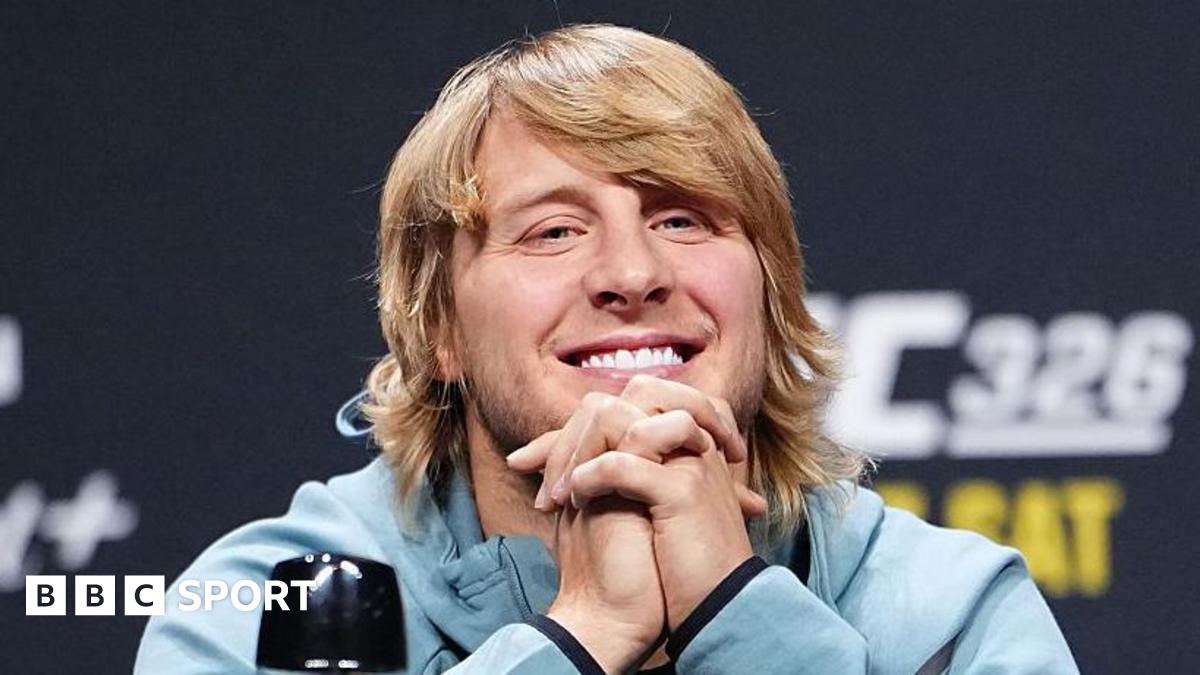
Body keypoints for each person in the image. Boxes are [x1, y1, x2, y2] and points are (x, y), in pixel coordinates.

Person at [134, 24, 1077, 674]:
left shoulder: (948, 608)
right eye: (551, 232)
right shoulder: (267, 603)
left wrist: (736, 611)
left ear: (772, 291)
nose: (632, 271)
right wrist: (580, 634)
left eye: (681, 216)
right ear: (439, 329)